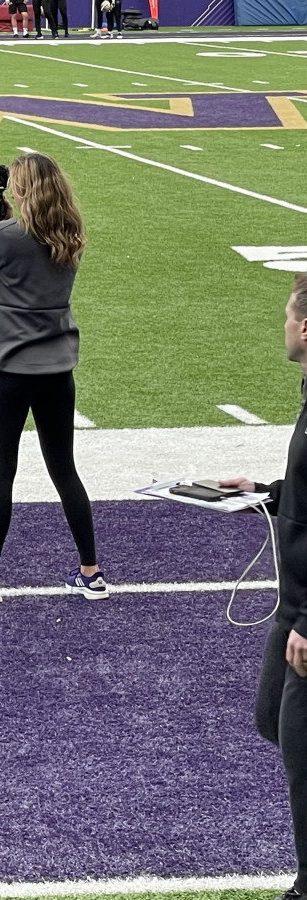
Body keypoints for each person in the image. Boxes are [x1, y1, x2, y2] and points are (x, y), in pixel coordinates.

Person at [0, 152, 105, 603]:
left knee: (1, 472)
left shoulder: (6, 234)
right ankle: (91, 571)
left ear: (24, 189)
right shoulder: (70, 235)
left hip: (9, 370)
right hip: (57, 370)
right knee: (64, 469)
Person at [221, 275, 307, 900]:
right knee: (272, 720)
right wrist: (266, 493)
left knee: (302, 751)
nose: (281, 325)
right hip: (293, 599)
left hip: (306, 609)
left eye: (286, 315)